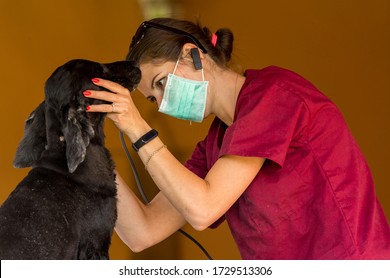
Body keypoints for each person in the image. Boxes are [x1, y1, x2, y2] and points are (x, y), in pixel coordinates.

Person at [84, 18, 390, 259]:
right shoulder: (216, 144)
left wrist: (137, 128)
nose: (163, 103)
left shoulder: (273, 96)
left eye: (162, 83)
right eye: (152, 99)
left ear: (192, 55)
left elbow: (203, 209)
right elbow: (142, 232)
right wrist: (88, 147)